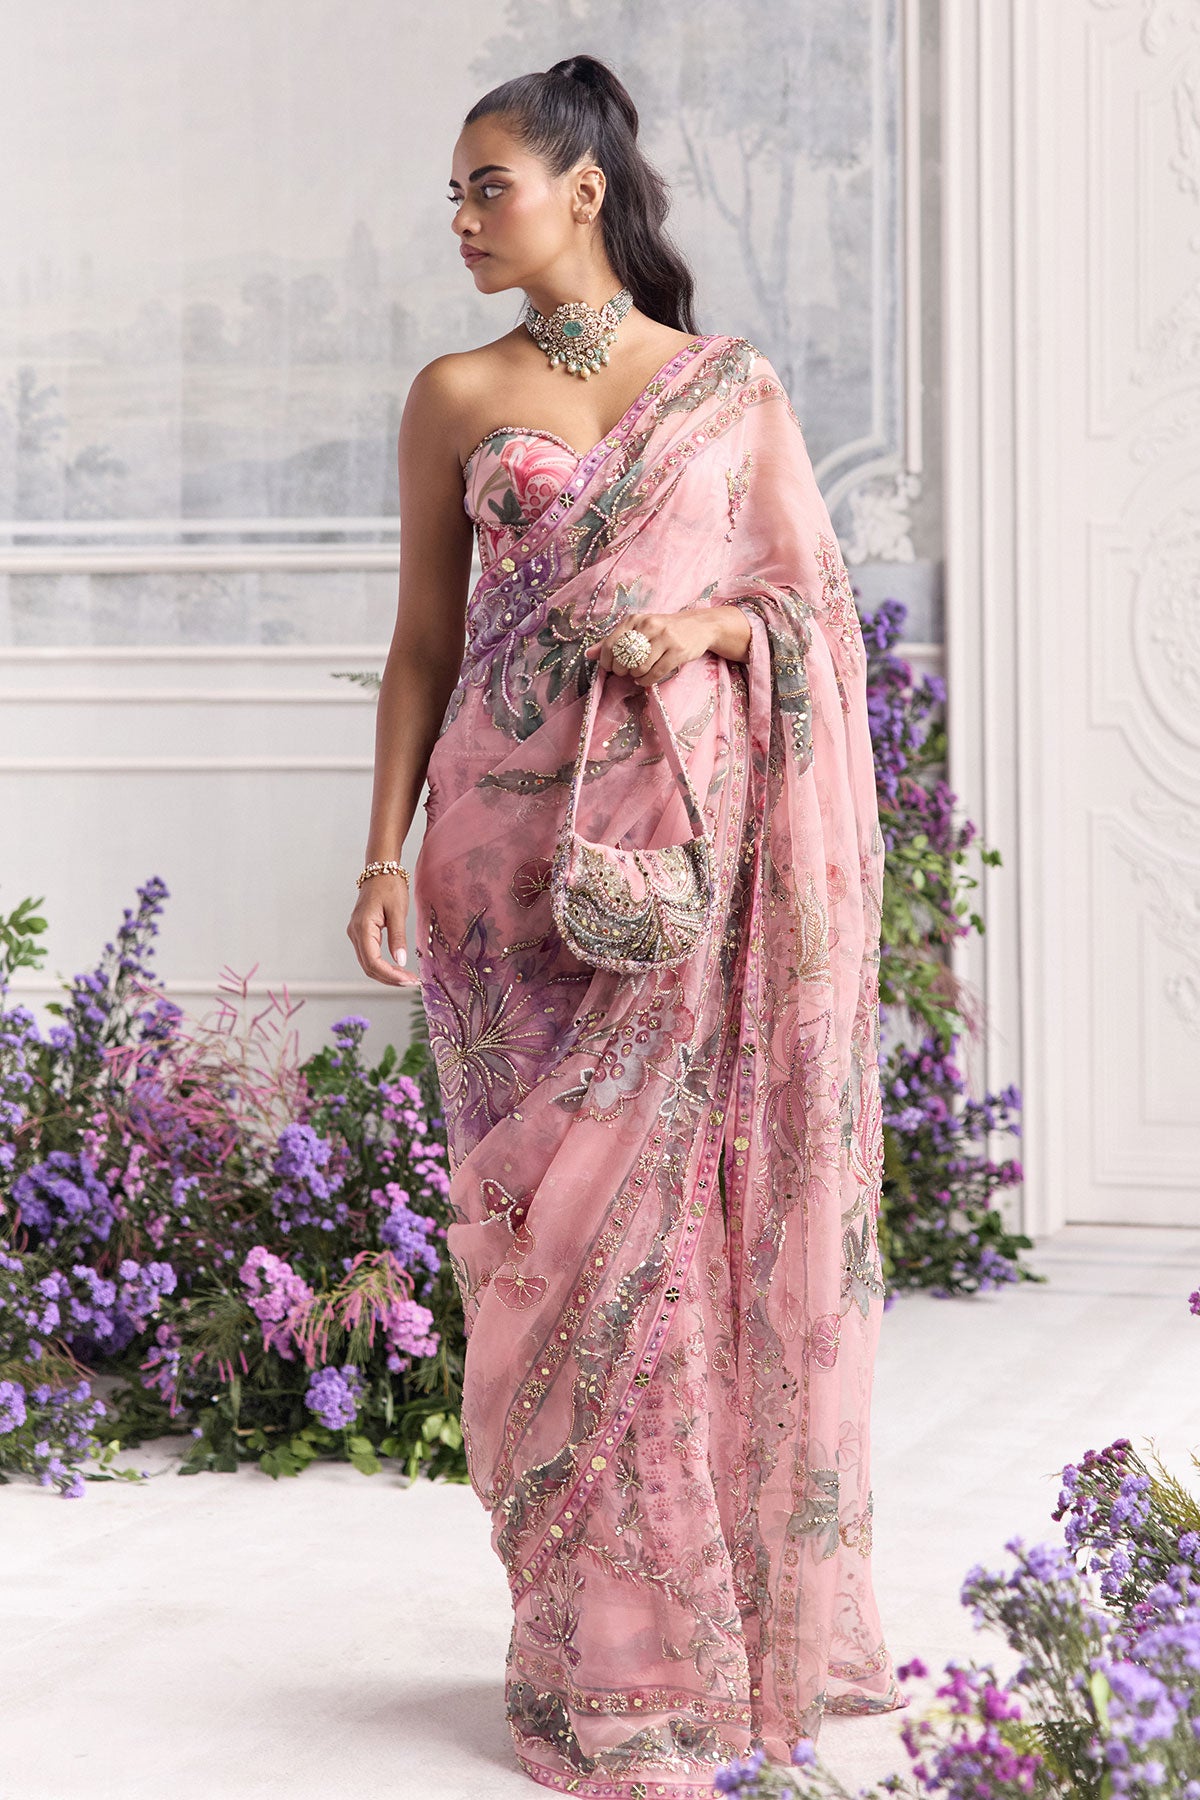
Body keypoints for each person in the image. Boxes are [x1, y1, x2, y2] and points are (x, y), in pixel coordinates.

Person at [347, 51, 904, 1800]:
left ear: (582, 190)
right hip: (494, 867)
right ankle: (584, 1643)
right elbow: (423, 643)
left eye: (487, 186)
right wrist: (380, 853)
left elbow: (809, 612)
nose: (460, 218)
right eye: (452, 193)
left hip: (677, 859)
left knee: (671, 1232)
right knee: (541, 1253)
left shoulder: (727, 390)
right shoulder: (455, 394)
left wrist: (711, 635)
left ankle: (665, 1662)